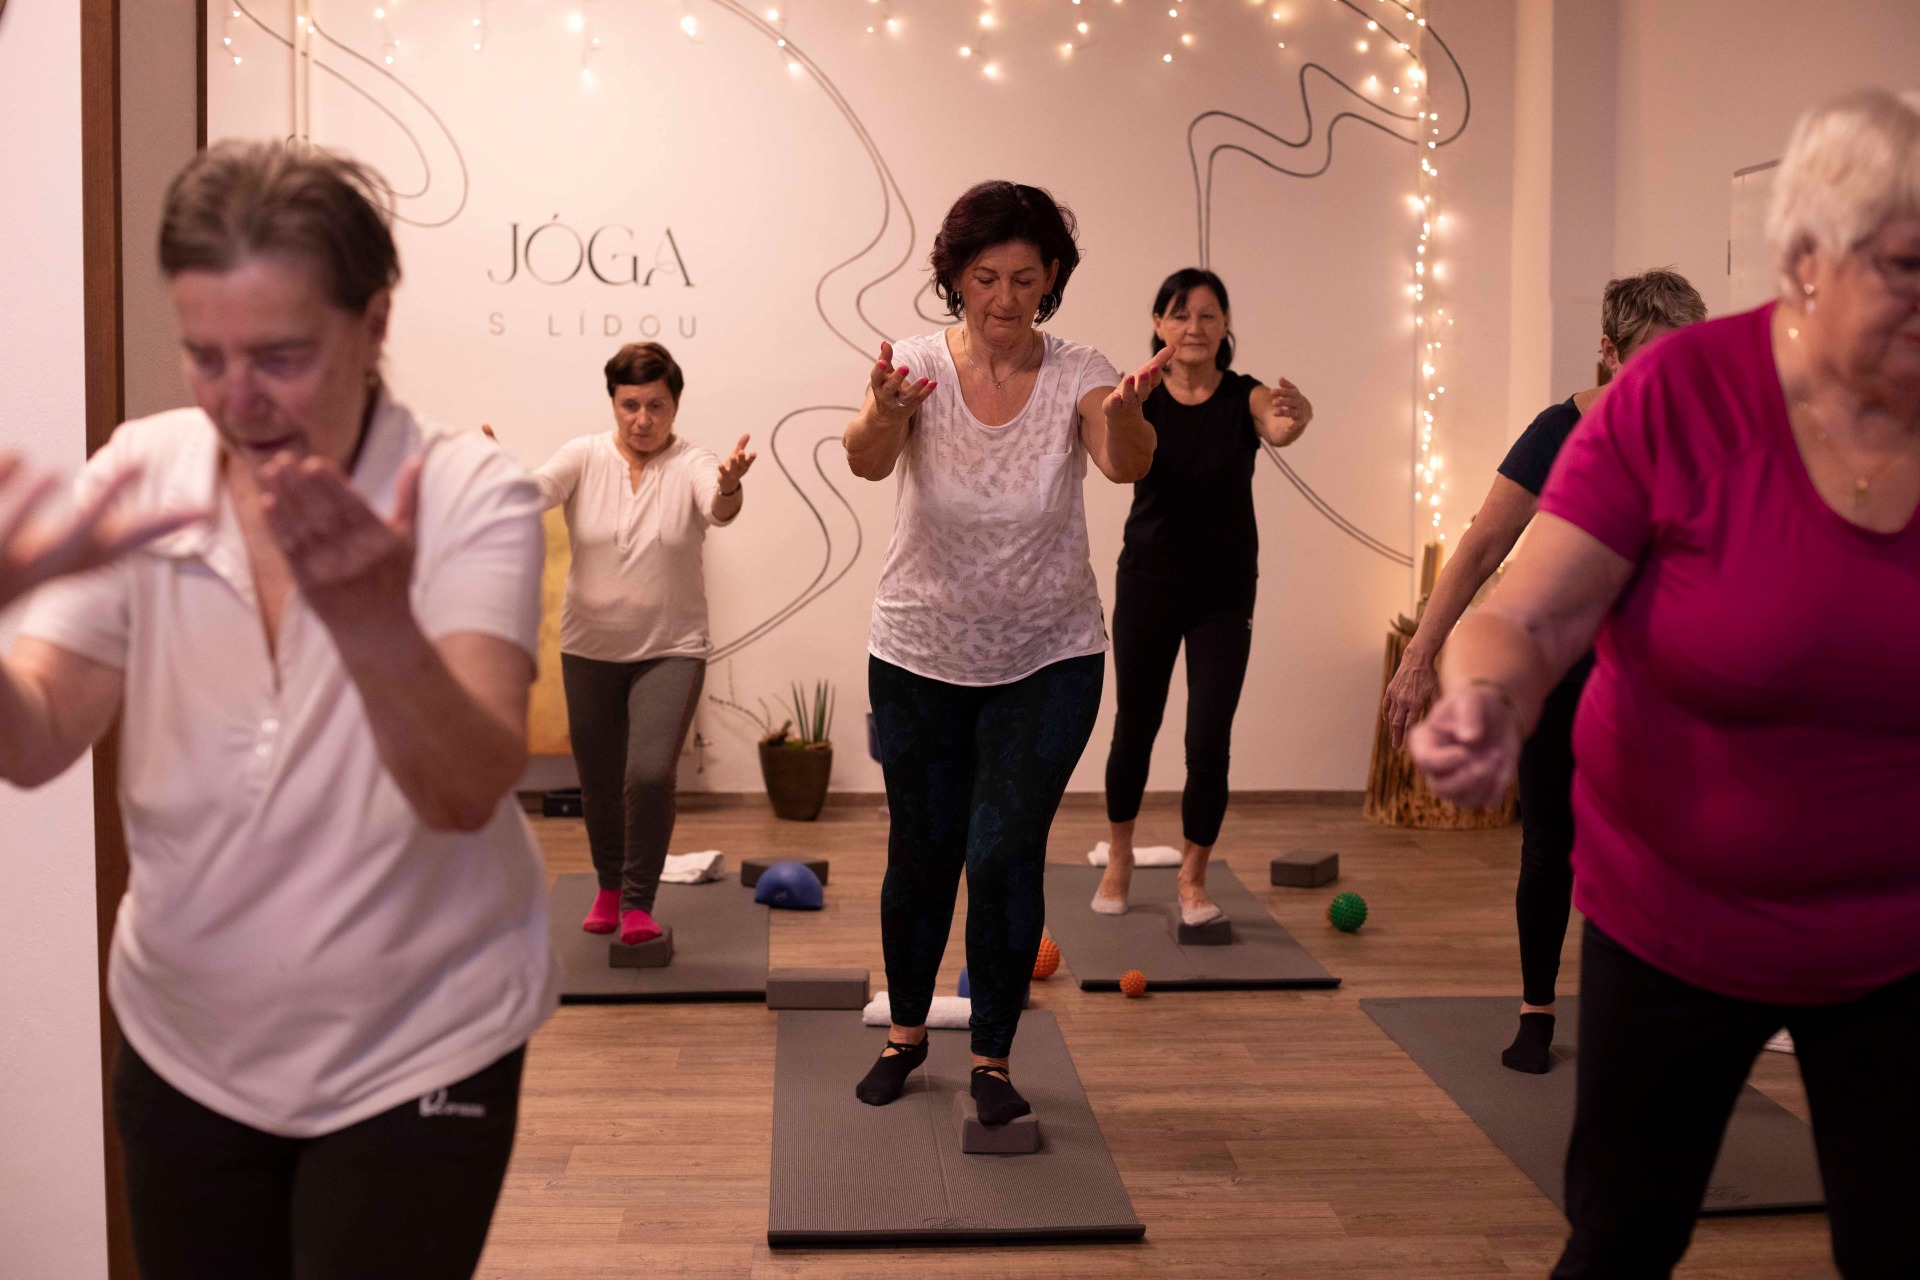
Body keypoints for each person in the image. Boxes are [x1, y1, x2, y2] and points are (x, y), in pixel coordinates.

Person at [0, 140, 556, 1278]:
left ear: (375, 322)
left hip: (419, 1039)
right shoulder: (143, 475)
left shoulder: (466, 495)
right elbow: (38, 734)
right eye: (203, 355)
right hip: (185, 1040)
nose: (235, 399)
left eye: (281, 357)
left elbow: (464, 790)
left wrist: (372, 620)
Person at [1410, 89, 1920, 1276]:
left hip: (1899, 932)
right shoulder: (1680, 396)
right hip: (1675, 914)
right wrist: (1484, 697)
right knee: (1626, 1237)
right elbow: (1527, 614)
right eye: (1905, 266)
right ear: (1806, 260)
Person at [842, 180, 1172, 1126]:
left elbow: (1126, 462)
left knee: (1001, 850)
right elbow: (866, 457)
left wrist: (1131, 412)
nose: (1004, 298)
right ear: (956, 276)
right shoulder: (912, 365)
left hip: (1049, 656)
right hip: (918, 650)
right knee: (923, 850)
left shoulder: (1080, 372)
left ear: (1052, 278)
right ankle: (906, 1036)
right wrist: (884, 411)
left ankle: (991, 1057)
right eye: (985, 277)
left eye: (1025, 279)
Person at [1382, 268, 1706, 1073]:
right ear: (1609, 352)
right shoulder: (1559, 432)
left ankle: (1646, 1010)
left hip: (1655, 677)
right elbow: (1480, 548)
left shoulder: (1704, 432)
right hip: (1563, 669)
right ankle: (1536, 1008)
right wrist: (1420, 654)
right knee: (1551, 844)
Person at [487, 343, 753, 946]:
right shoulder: (584, 456)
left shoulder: (692, 461)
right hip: (589, 649)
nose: (642, 418)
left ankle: (638, 902)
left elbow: (717, 507)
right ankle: (608, 887)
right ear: (613, 402)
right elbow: (537, 490)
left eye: (656, 405)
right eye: (630, 404)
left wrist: (730, 487)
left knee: (650, 775)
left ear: (675, 405)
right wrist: (499, 473)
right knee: (600, 783)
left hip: (672, 648)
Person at [1092, 267, 1315, 924]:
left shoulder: (1245, 395)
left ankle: (1193, 876)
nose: (1194, 326)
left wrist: (1295, 417)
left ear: (1225, 326)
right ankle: (1120, 857)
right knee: (1135, 727)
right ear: (1159, 323)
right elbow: (1112, 457)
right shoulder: (1138, 396)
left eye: (1208, 314)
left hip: (1223, 593)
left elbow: (1278, 427)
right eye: (1181, 314)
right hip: (1148, 584)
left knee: (1208, 739)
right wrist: (1122, 412)